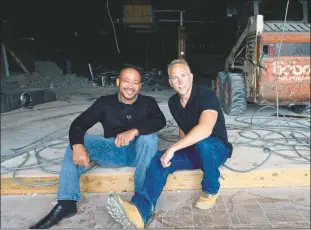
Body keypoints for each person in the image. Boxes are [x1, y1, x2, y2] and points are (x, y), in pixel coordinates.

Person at [29, 67, 166, 229]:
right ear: (118, 82)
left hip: (140, 153)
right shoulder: (104, 103)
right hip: (113, 151)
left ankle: (140, 199)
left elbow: (160, 121)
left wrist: (134, 131)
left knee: (149, 138)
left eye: (135, 83)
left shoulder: (148, 102)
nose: (130, 86)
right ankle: (67, 202)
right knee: (78, 141)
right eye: (126, 81)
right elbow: (78, 124)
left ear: (140, 86)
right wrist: (78, 145)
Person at [106, 59, 233, 229]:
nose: (180, 81)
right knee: (158, 158)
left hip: (216, 149)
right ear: (170, 82)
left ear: (191, 77)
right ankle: (140, 211)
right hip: (195, 151)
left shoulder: (206, 95)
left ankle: (211, 189)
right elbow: (183, 130)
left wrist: (173, 148)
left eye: (183, 76)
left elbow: (205, 129)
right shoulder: (173, 102)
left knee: (204, 144)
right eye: (175, 78)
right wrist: (174, 151)